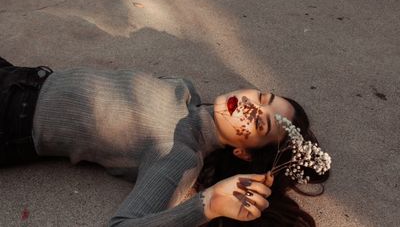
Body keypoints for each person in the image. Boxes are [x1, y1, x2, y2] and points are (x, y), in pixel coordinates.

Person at [0, 57, 329, 227]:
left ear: (243, 152)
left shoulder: (179, 155)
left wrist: (208, 204)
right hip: (24, 77)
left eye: (259, 122)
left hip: (13, 117)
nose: (250, 106)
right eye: (261, 96)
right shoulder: (187, 92)